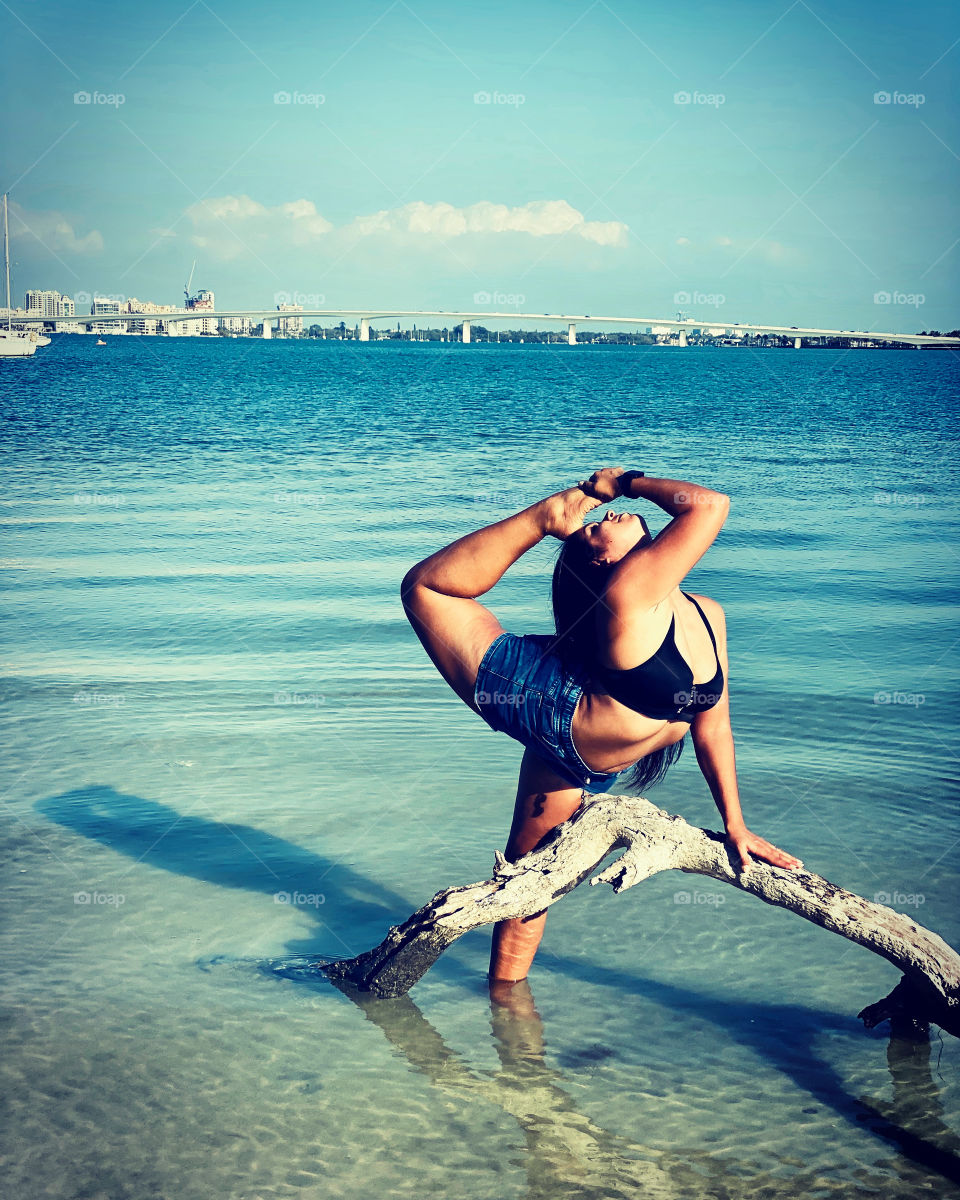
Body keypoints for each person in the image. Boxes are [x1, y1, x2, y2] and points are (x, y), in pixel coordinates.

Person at [400, 466, 802, 983]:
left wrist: (736, 824)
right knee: (426, 590)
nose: (605, 514)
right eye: (594, 528)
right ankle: (544, 517)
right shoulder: (626, 596)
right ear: (604, 559)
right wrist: (624, 481)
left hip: (587, 747)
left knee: (532, 876)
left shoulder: (706, 612)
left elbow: (713, 726)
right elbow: (709, 504)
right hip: (551, 704)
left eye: (597, 516)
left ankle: (506, 1001)